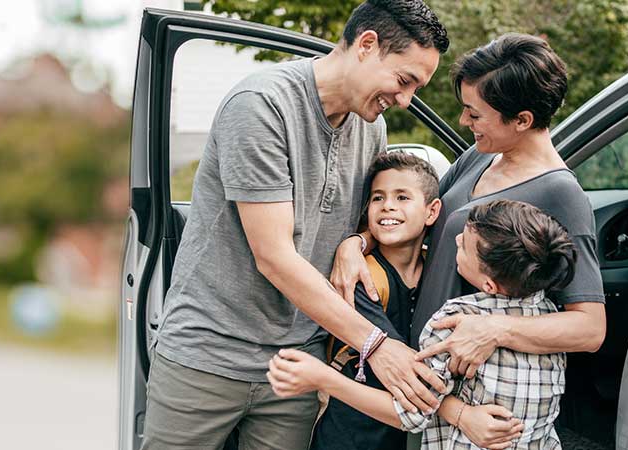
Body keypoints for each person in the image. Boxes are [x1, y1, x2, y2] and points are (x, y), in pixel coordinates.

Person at [141, 1, 450, 449]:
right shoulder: (261, 106)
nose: (403, 101)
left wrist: (354, 242)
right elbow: (275, 258)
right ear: (367, 45)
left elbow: (361, 220)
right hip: (208, 354)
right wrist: (377, 346)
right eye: (404, 81)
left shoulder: (371, 128)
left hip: (295, 363)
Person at [330, 33, 607, 448]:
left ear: (523, 120)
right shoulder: (480, 155)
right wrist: (357, 243)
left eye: (475, 114)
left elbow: (589, 327)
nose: (464, 122)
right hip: (413, 370)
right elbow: (418, 218)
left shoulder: (561, 195)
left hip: (473, 398)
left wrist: (493, 328)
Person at [269, 199, 577, 449]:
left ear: (488, 284)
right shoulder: (550, 315)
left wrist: (323, 378)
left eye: (465, 245)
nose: (456, 238)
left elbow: (409, 415)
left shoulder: (455, 321)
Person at [311, 151, 442, 450]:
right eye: (378, 198)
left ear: (431, 211)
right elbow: (406, 374)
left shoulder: (436, 273)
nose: (388, 206)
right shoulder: (360, 276)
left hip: (398, 435)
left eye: (402, 197)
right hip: (348, 435)